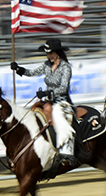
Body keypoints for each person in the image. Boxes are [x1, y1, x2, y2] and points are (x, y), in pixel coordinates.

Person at [11, 38, 77, 166]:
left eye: (51, 53)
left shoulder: (66, 67)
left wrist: (48, 93)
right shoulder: (46, 65)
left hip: (61, 102)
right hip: (48, 101)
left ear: (57, 52)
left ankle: (66, 152)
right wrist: (19, 69)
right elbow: (33, 72)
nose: (49, 56)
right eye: (47, 53)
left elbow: (63, 88)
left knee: (59, 117)